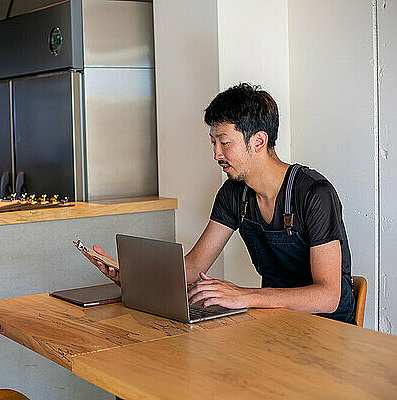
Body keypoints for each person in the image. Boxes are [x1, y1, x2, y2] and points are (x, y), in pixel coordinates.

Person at [83, 83, 355, 324]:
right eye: (213, 142)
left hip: (328, 328)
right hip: (276, 321)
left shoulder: (314, 193)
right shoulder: (233, 194)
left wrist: (244, 295)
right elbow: (192, 267)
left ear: (258, 141)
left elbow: (327, 296)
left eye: (225, 143)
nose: (216, 154)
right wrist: (134, 277)